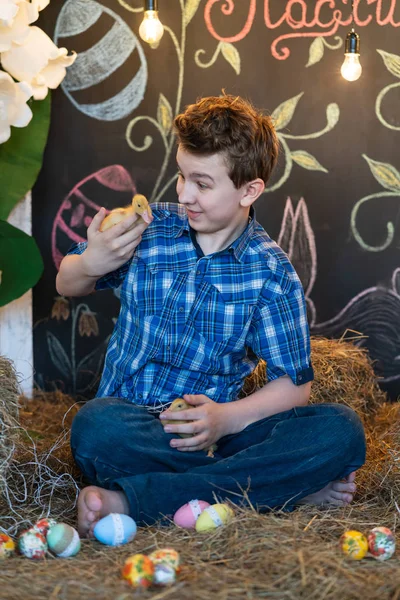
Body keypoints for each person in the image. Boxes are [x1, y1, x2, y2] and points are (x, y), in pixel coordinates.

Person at [56, 94, 366, 537]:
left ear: (249, 190)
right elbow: (68, 284)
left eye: (202, 184)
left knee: (342, 431)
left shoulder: (271, 273)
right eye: (182, 176)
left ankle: (132, 499)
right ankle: (272, 491)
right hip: (140, 430)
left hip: (222, 437)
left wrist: (225, 418)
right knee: (95, 427)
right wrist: (92, 261)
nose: (183, 193)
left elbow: (294, 385)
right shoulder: (151, 228)